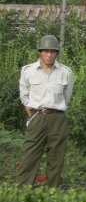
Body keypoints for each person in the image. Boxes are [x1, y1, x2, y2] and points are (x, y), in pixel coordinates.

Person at [16, 35, 74, 187]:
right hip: (37, 116)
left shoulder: (65, 72)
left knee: (56, 158)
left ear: (57, 53)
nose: (49, 55)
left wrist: (56, 111)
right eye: (46, 51)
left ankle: (51, 192)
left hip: (58, 118)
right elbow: (25, 96)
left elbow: (66, 97)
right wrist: (34, 115)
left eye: (53, 52)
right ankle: (22, 191)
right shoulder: (28, 71)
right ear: (40, 52)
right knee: (30, 155)